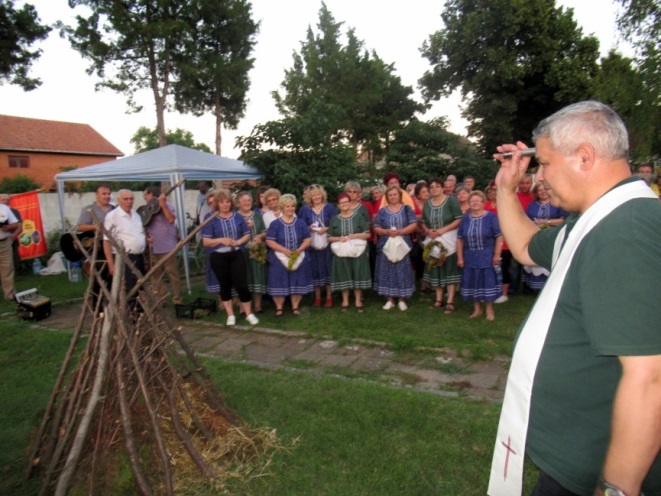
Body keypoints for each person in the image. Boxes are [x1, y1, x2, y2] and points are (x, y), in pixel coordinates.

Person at [489, 101, 661, 496]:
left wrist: (616, 488)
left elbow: (650, 378)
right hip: (578, 460)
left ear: (584, 157)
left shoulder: (625, 230)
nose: (541, 177)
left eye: (545, 163)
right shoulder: (593, 221)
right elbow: (526, 244)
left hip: (597, 473)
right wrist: (505, 187)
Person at [202, 190, 259, 326]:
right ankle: (230, 315)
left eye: (227, 202)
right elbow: (206, 242)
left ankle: (249, 313)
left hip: (236, 253)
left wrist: (238, 242)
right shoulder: (210, 218)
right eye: (222, 202)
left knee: (241, 285)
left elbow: (246, 234)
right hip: (218, 256)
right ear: (216, 204)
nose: (225, 205)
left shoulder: (238, 217)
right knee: (224, 285)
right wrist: (222, 240)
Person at [456, 190, 503, 321]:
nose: (475, 203)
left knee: (488, 281)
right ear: (469, 203)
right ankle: (477, 308)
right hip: (469, 255)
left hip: (487, 255)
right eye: (472, 201)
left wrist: (497, 254)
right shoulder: (465, 219)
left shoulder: (491, 217)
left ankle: (489, 309)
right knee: (473, 282)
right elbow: (460, 238)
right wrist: (460, 257)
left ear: (483, 202)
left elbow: (499, 235)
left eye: (478, 200)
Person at [420, 177, 463, 313]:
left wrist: (443, 230)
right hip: (433, 238)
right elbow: (423, 221)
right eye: (431, 187)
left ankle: (450, 300)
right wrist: (428, 231)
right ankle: (439, 298)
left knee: (449, 268)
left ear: (442, 187)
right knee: (435, 268)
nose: (434, 189)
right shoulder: (428, 204)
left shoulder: (451, 200)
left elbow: (458, 219)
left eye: (437, 186)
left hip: (449, 237)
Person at [265, 194, 313, 316]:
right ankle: (279, 307)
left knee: (298, 280)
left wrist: (299, 250)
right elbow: (269, 241)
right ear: (282, 207)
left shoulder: (300, 223)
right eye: (287, 206)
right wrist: (284, 251)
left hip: (299, 255)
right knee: (278, 280)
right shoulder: (275, 224)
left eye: (292, 206)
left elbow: (308, 239)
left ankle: (295, 306)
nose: (290, 209)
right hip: (279, 256)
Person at [373, 185, 418, 311]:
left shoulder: (406, 209)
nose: (393, 197)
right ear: (387, 197)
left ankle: (402, 299)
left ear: (399, 196)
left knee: (401, 270)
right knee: (386, 271)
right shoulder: (382, 211)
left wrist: (401, 231)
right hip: (386, 245)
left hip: (402, 244)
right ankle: (389, 299)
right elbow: (376, 226)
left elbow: (414, 224)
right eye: (390, 195)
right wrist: (386, 232)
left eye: (395, 194)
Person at [102, 189, 146, 311]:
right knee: (130, 289)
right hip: (125, 258)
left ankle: (139, 316)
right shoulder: (113, 216)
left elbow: (138, 234)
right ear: (119, 200)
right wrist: (111, 265)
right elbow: (106, 241)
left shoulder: (136, 215)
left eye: (131, 199)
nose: (129, 202)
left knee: (140, 287)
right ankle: (130, 318)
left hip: (139, 256)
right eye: (126, 199)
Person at [327, 193, 371, 312]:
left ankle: (357, 300)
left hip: (358, 250)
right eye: (342, 203)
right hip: (341, 251)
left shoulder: (359, 217)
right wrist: (338, 239)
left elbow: (367, 233)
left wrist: (355, 236)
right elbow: (329, 237)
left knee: (358, 273)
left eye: (347, 202)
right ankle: (345, 300)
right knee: (343, 273)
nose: (345, 204)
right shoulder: (334, 220)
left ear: (350, 203)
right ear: (338, 205)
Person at [521, 183, 568, 292]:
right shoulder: (532, 204)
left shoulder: (556, 204)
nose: (542, 192)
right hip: (535, 235)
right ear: (536, 193)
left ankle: (550, 285)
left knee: (550, 257)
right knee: (536, 257)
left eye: (544, 189)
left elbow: (563, 220)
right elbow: (526, 219)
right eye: (539, 190)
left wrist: (547, 222)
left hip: (552, 235)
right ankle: (533, 286)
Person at [76, 184, 116, 310]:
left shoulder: (115, 209)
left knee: (113, 277)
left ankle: (112, 306)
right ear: (97, 195)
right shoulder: (89, 209)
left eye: (108, 194)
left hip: (113, 247)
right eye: (104, 194)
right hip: (97, 249)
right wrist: (96, 227)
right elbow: (80, 227)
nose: (107, 196)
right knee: (98, 278)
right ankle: (96, 308)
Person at [143, 186, 182, 306]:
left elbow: (171, 219)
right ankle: (160, 300)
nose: (145, 199)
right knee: (156, 277)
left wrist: (163, 204)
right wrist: (146, 237)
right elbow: (145, 225)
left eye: (146, 196)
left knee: (173, 275)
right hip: (154, 247)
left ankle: (177, 301)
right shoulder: (147, 209)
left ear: (154, 196)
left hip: (168, 247)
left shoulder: (168, 205)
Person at [299, 184, 336, 307]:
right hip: (312, 245)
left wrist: (326, 229)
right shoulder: (305, 209)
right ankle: (318, 297)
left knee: (328, 268)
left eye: (318, 194)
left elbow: (336, 223)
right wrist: (308, 228)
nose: (316, 197)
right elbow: (300, 226)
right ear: (309, 197)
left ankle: (329, 297)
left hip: (327, 244)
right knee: (314, 269)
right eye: (313, 195)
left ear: (322, 195)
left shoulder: (329, 207)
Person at [236, 191, 267, 313]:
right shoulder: (235, 216)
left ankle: (258, 305)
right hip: (241, 251)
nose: (247, 203)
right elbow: (232, 235)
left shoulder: (257, 215)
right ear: (238, 203)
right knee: (242, 277)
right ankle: (242, 306)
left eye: (249, 200)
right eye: (244, 201)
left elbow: (264, 231)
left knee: (257, 275)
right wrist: (245, 228)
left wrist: (260, 236)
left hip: (257, 250)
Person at [484, 181, 512, 303]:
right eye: (490, 190)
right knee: (490, 267)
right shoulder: (484, 205)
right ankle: (492, 291)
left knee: (503, 267)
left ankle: (504, 293)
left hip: (503, 242)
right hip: (488, 242)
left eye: (495, 190)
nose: (492, 193)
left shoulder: (505, 205)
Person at [0, 197, 20, 300]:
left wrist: (8, 227)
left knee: (7, 269)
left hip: (4, 243)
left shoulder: (4, 208)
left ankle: (9, 295)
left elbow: (16, 224)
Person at [0, 194, 23, 272]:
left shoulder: (14, 211)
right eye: (3, 200)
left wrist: (13, 236)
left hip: (11, 239)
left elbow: (19, 226)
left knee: (13, 260)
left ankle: (14, 276)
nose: (6, 201)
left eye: (7, 200)